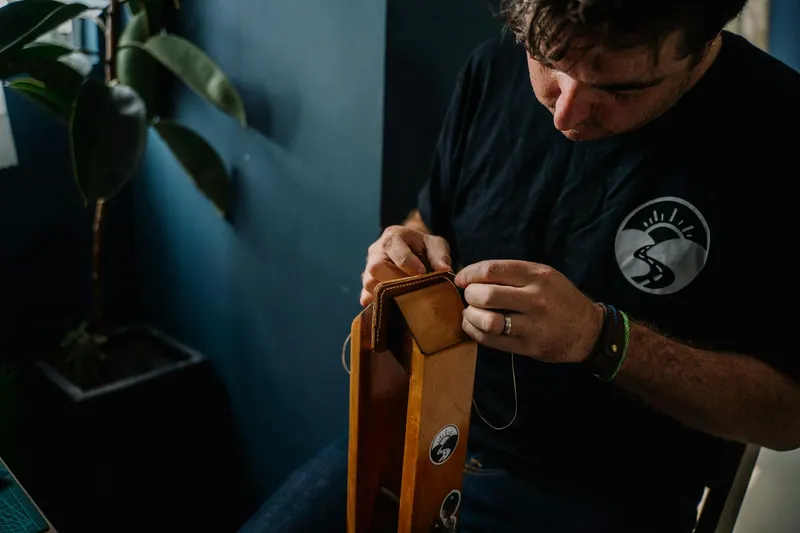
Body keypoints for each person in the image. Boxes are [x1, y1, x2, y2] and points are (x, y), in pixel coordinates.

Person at [239, 1, 800, 532]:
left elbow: (786, 414)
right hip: (429, 430)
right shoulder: (492, 68)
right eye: (550, 63)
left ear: (703, 43)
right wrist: (408, 244)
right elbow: (430, 218)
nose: (566, 113)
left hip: (602, 496)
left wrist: (600, 338)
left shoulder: (777, 132)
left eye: (619, 88)